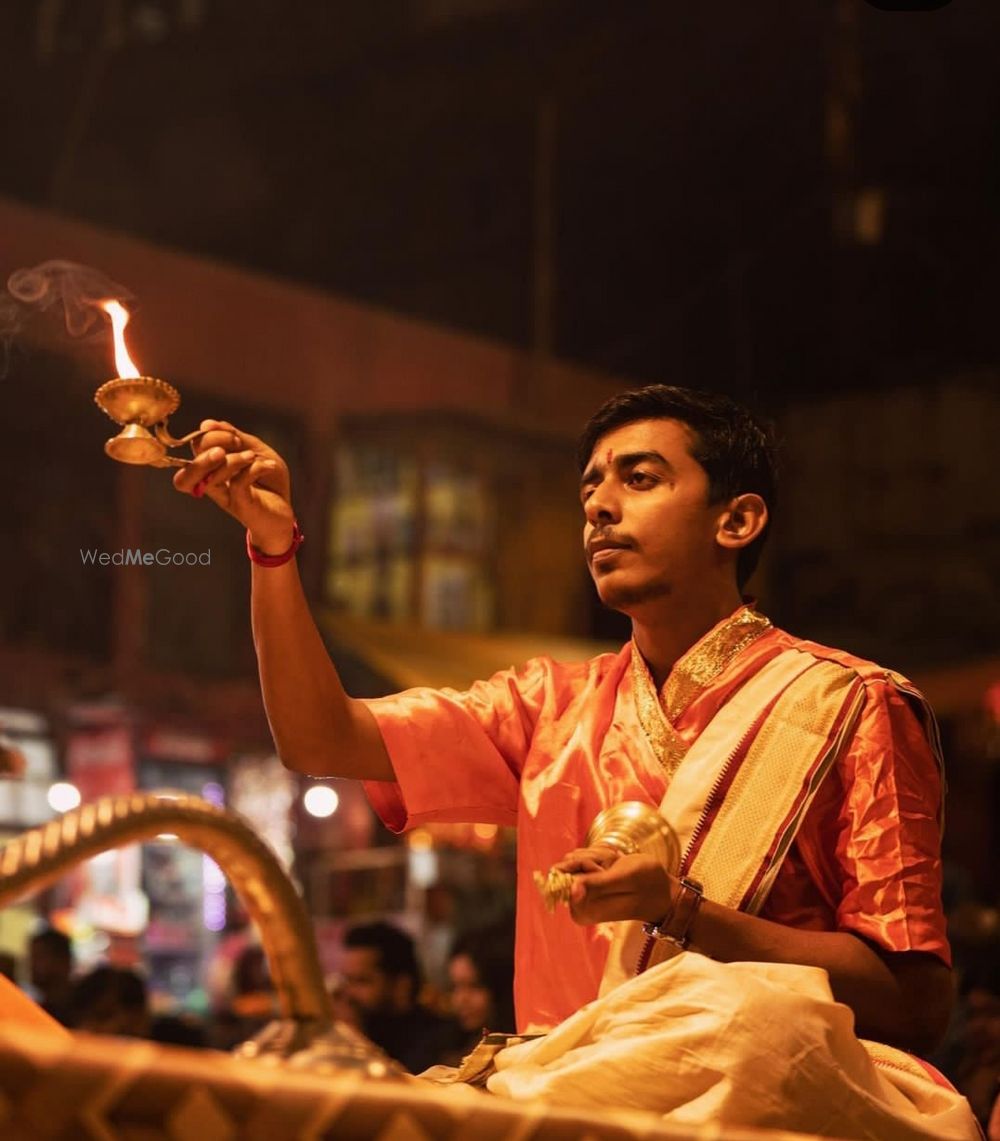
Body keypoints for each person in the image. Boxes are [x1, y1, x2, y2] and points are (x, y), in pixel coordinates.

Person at [174, 385, 978, 1136]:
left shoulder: (850, 704)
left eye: (640, 477)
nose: (598, 504)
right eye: (591, 485)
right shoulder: (546, 706)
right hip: (560, 1104)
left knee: (750, 1028)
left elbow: (913, 1001)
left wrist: (684, 914)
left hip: (753, 1106)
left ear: (736, 521)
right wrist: (272, 548)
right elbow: (320, 738)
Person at [338, 921, 463, 1073]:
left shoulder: (440, 1042)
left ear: (401, 985)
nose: (348, 993)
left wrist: (356, 1040)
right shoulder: (361, 1026)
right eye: (347, 980)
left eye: (362, 981)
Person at [447, 921, 516, 1053]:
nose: (461, 999)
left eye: (474, 986)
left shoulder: (517, 1051)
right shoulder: (450, 1046)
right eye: (455, 987)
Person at [28, 926, 74, 1026]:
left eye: (39, 957)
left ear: (62, 961)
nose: (31, 965)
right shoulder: (42, 1007)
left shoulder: (73, 1011)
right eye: (31, 957)